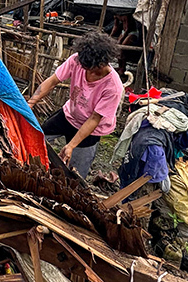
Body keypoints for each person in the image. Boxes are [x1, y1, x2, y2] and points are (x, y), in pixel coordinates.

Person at [27, 31, 123, 179]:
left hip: (90, 130)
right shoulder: (77, 61)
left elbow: (94, 119)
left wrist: (71, 145)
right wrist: (30, 103)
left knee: (75, 175)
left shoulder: (113, 87)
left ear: (103, 63)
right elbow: (53, 81)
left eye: (91, 68)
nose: (86, 71)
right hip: (68, 115)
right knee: (35, 138)